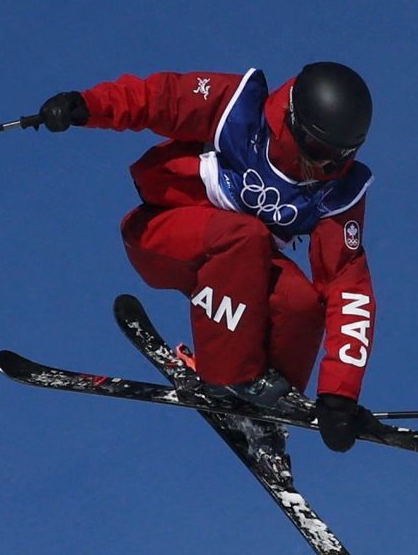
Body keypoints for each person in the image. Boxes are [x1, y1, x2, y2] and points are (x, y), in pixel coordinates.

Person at [32, 63, 380, 449]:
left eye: (338, 157)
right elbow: (159, 99)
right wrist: (88, 104)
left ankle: (268, 406)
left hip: (238, 269)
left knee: (300, 303)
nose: (322, 166)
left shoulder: (335, 191)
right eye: (316, 149)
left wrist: (339, 395)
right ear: (292, 120)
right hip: (162, 232)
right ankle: (227, 373)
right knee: (246, 234)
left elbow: (348, 288)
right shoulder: (238, 111)